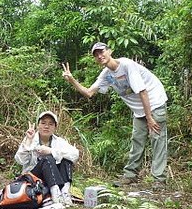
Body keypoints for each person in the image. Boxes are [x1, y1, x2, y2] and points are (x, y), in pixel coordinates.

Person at [62, 42, 168, 188]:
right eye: (96, 55)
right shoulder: (106, 75)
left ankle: (159, 179)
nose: (100, 56)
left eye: (102, 52)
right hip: (139, 109)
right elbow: (89, 93)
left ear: (109, 51)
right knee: (137, 140)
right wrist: (72, 80)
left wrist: (149, 118)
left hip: (154, 101)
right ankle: (130, 175)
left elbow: (142, 92)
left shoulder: (126, 65)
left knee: (157, 139)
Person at [14, 111, 79, 206]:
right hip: (34, 178)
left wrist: (51, 151)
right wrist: (28, 141)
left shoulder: (59, 141)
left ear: (55, 127)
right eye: (43, 123)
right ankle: (55, 194)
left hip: (53, 178)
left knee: (66, 160)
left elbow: (75, 154)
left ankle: (65, 192)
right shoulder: (31, 138)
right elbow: (20, 160)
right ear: (38, 125)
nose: (46, 126)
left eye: (50, 124)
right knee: (47, 160)